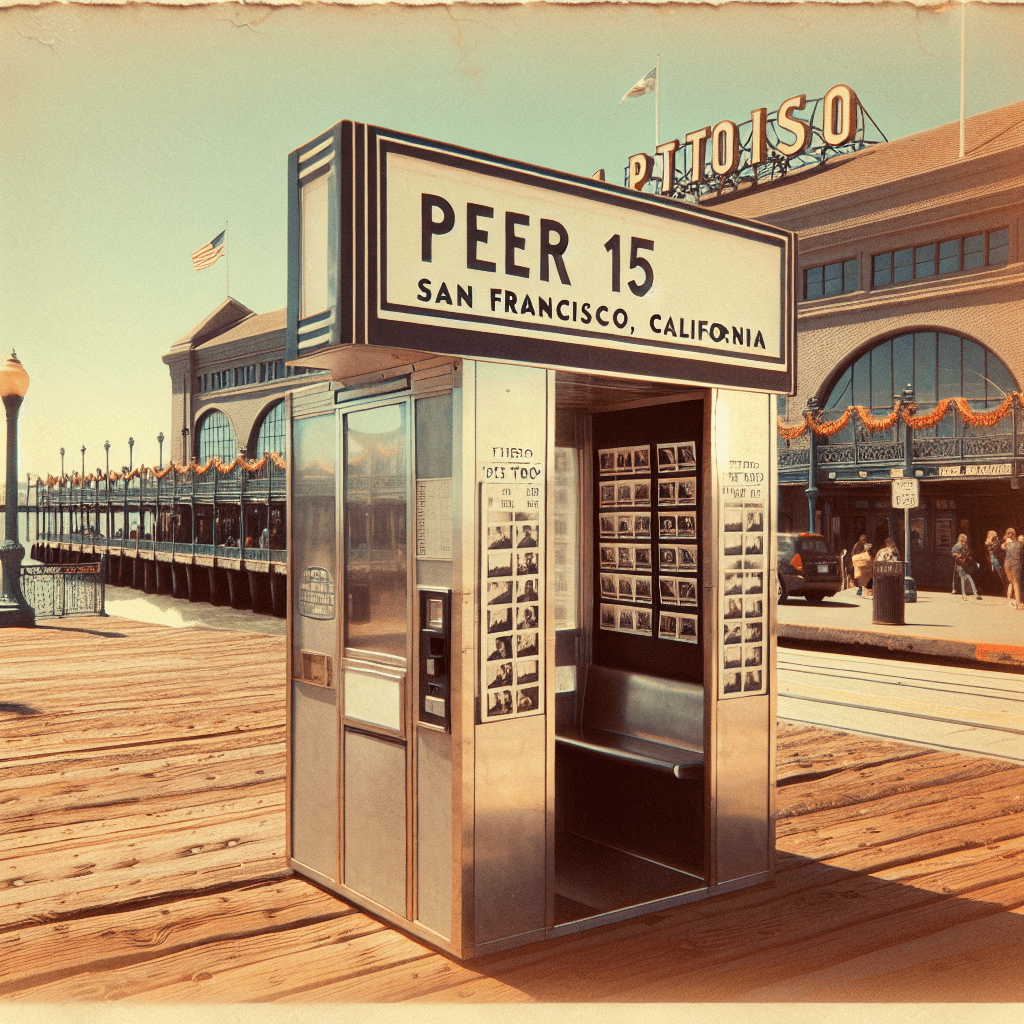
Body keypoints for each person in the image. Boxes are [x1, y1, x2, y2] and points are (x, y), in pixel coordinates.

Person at [951, 533, 981, 601]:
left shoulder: (961, 546)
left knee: (964, 578)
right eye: (964, 540)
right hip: (960, 564)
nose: (965, 541)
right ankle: (973, 593)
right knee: (967, 577)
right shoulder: (958, 546)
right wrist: (959, 555)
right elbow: (953, 553)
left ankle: (965, 594)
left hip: (962, 564)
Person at [1002, 528, 1022, 610]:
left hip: (1011, 564)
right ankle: (1017, 603)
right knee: (1015, 583)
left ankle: (1012, 601)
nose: (1009, 535)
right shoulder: (1012, 544)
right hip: (1011, 564)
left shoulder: (1014, 544)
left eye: (1010, 533)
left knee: (1013, 582)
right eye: (1008, 533)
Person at [985, 530, 1008, 597]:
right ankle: (1000, 590)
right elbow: (993, 550)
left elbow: (994, 550)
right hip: (993, 560)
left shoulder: (993, 542)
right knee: (997, 575)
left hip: (994, 560)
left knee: (998, 575)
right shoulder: (991, 542)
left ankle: (1001, 589)